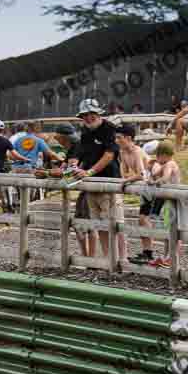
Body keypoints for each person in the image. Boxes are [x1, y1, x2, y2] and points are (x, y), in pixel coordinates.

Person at [71, 98, 122, 259]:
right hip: (91, 185)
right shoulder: (85, 131)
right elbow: (80, 154)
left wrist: (89, 172)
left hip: (109, 183)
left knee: (114, 224)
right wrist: (73, 167)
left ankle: (120, 260)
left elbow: (109, 155)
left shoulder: (109, 129)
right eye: (85, 115)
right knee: (99, 224)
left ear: (98, 113)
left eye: (91, 114)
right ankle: (108, 259)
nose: (88, 117)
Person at [55, 123, 94, 256]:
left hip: (91, 187)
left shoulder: (77, 145)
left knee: (86, 223)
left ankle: (90, 258)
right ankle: (87, 256)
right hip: (85, 187)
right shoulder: (74, 146)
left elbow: (69, 171)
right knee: (80, 223)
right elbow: (64, 168)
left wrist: (53, 173)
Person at [145, 140, 184, 268]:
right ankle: (166, 256)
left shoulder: (169, 164)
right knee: (167, 229)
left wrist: (154, 182)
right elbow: (155, 175)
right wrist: (150, 171)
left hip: (173, 200)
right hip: (168, 200)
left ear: (165, 154)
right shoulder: (166, 164)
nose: (156, 159)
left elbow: (165, 178)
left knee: (172, 230)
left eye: (158, 156)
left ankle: (172, 257)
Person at [115, 125, 150, 266]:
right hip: (145, 188)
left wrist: (128, 180)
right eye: (116, 137)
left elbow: (142, 174)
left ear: (128, 138)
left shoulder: (137, 152)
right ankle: (147, 252)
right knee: (143, 219)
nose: (116, 140)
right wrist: (127, 179)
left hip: (153, 187)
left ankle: (149, 253)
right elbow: (124, 172)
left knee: (143, 219)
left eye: (119, 138)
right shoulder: (122, 152)